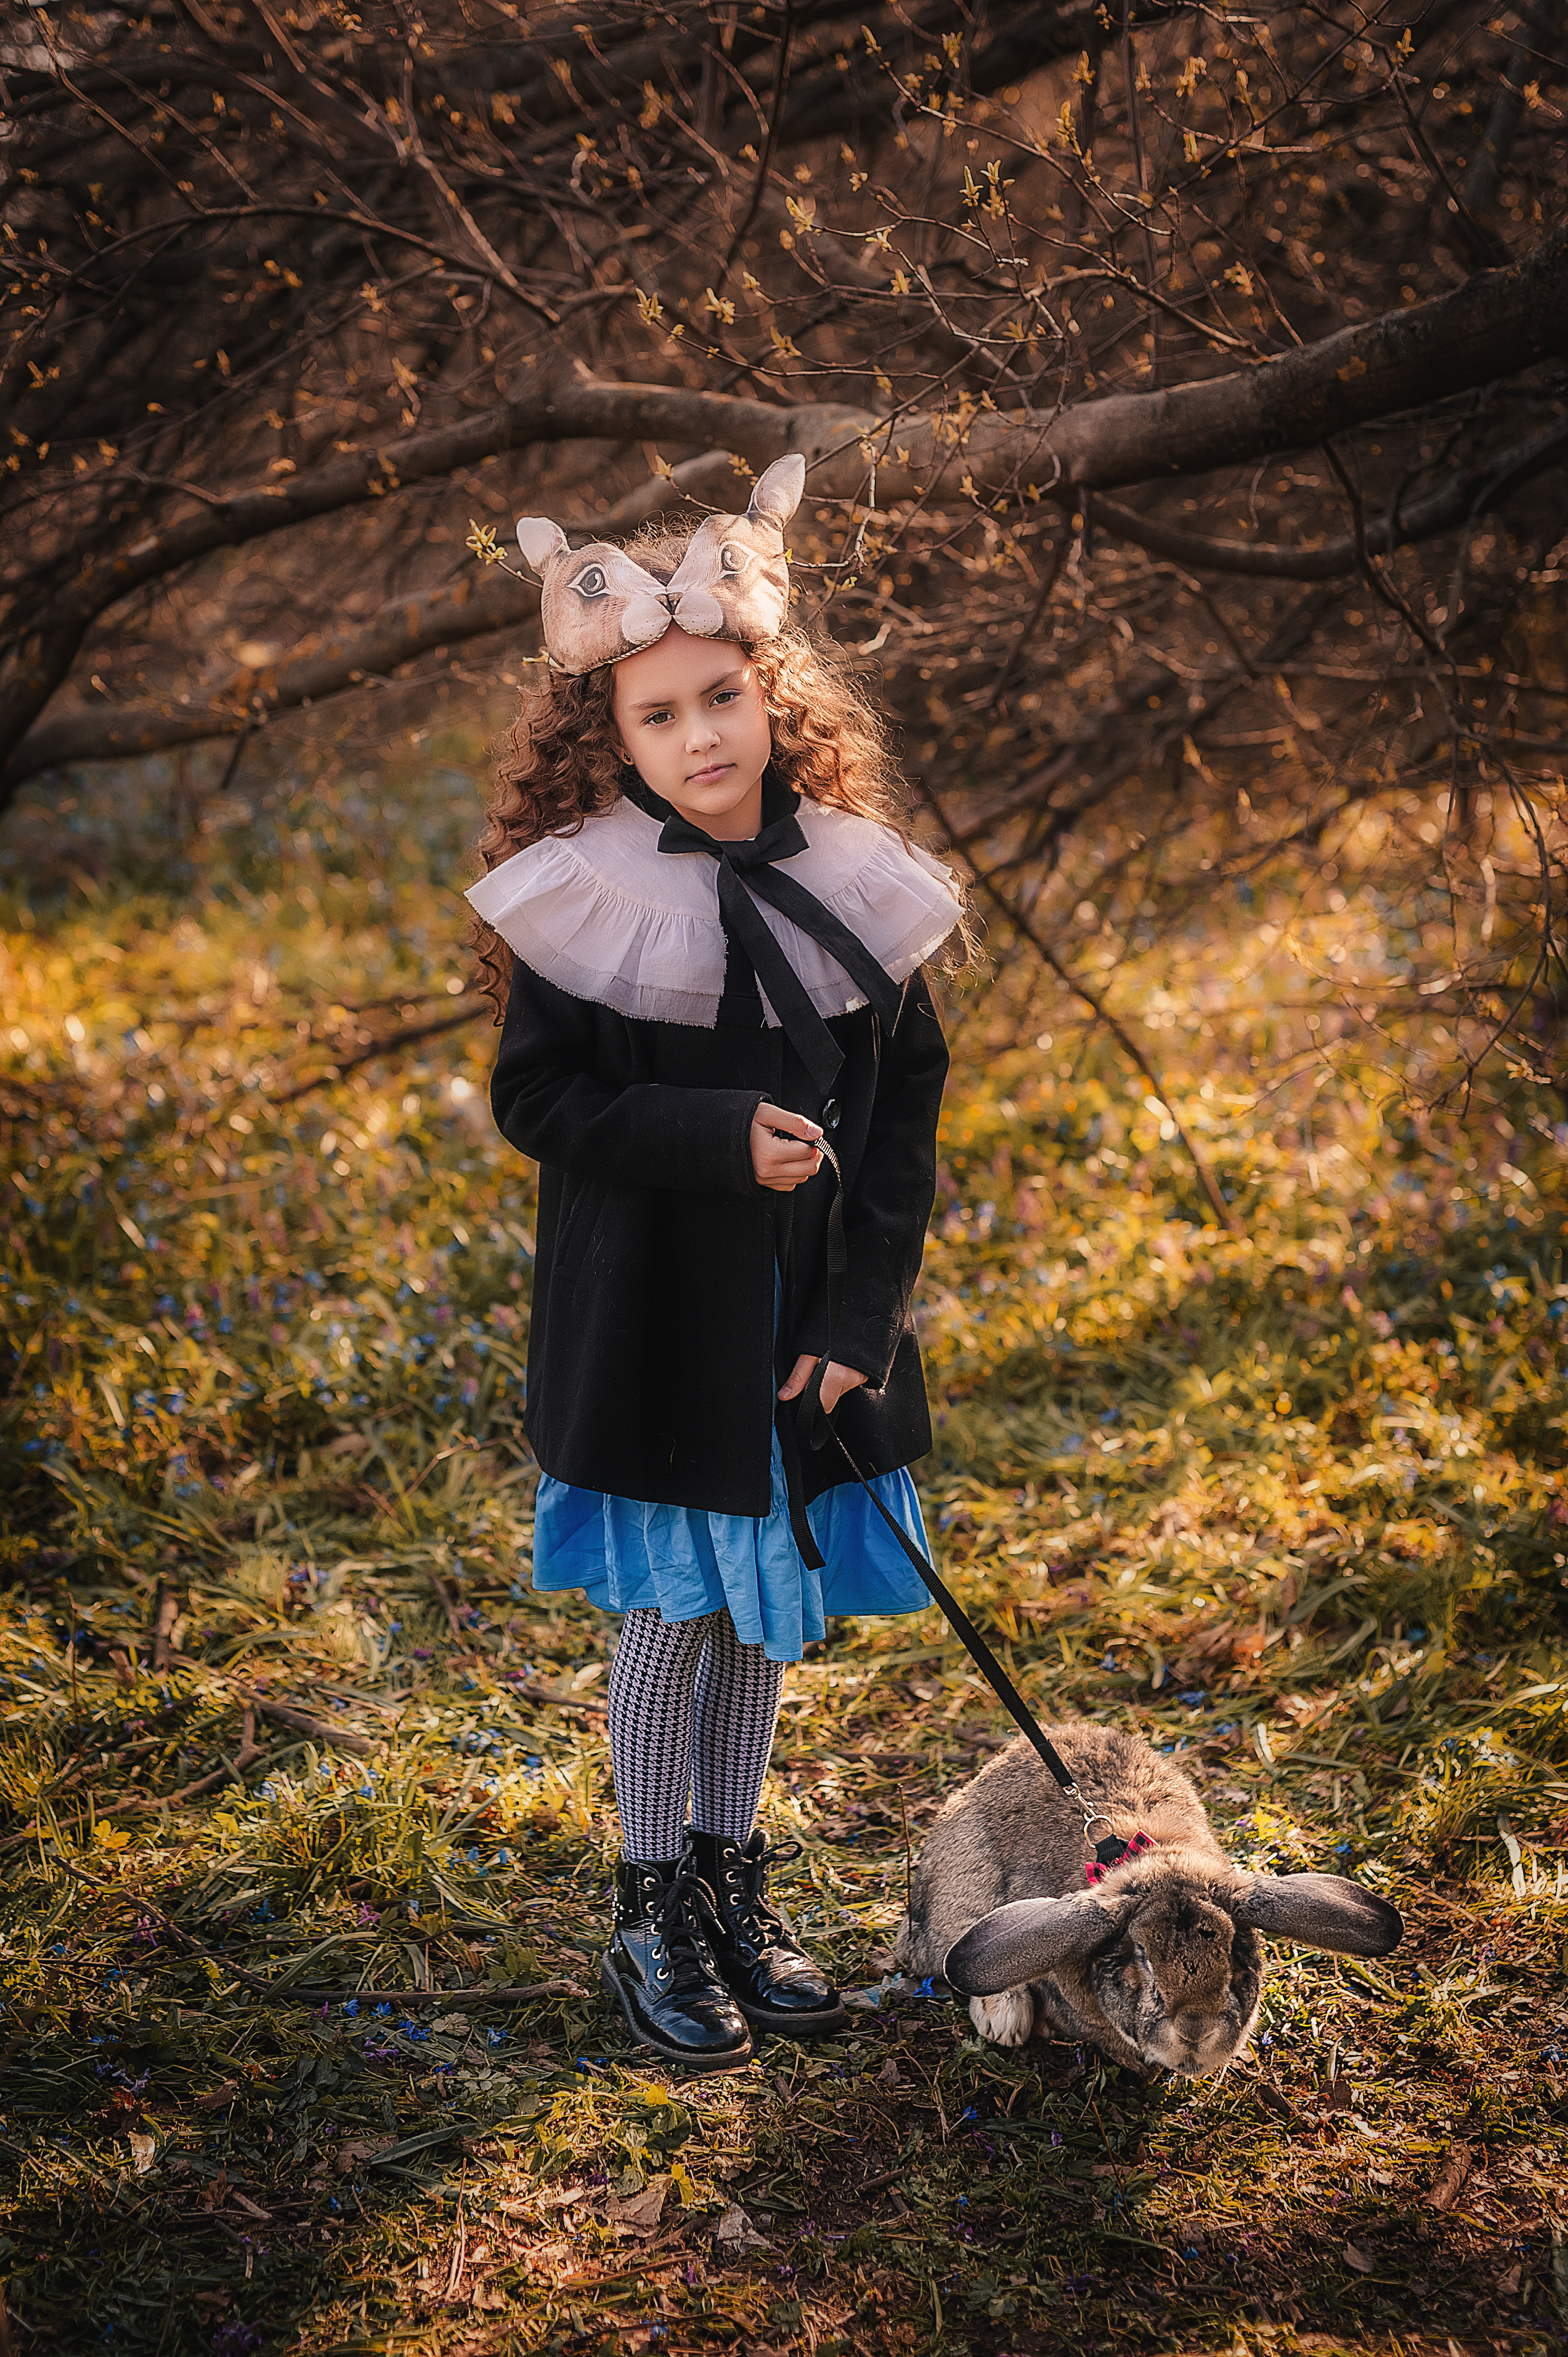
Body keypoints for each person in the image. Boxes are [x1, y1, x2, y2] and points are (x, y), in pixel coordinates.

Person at [466, 456, 964, 2071]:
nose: (699, 736)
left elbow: (901, 1122)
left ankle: (734, 1883)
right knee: (680, 1614)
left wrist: (854, 1322)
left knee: (757, 1620)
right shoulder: (587, 898)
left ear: (769, 689)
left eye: (720, 697)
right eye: (659, 714)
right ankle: (649, 1901)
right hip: (661, 1328)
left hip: (799, 1334)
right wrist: (706, 1137)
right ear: (612, 738)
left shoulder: (854, 884)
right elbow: (536, 1097)